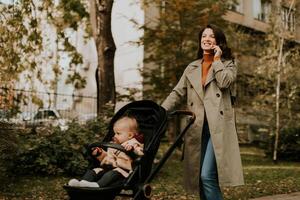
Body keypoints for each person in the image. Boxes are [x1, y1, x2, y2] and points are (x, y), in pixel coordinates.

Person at [161, 24, 244, 199]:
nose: (206, 39)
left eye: (211, 36)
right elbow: (177, 92)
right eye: (204, 36)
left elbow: (224, 82)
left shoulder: (229, 64)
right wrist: (160, 111)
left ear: (218, 41)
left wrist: (217, 60)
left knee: (207, 176)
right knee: (200, 178)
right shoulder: (192, 67)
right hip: (196, 127)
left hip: (218, 128)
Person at [68, 116, 144, 188]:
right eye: (115, 133)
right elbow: (107, 157)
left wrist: (132, 150)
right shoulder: (113, 145)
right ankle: (81, 184)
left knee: (112, 174)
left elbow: (140, 153)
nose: (115, 136)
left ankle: (97, 185)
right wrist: (100, 153)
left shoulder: (133, 144)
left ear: (130, 135)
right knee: (94, 171)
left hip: (122, 172)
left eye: (118, 133)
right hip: (108, 167)